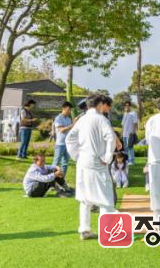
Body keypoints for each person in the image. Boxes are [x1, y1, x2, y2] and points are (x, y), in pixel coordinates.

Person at [65, 95, 117, 240]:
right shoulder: (101, 119)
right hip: (98, 162)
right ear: (100, 104)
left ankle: (84, 229)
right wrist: (107, 157)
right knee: (105, 198)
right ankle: (107, 232)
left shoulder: (82, 120)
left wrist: (77, 156)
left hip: (83, 162)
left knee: (85, 198)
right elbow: (111, 137)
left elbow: (70, 139)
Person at [53, 102, 74, 175]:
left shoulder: (69, 119)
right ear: (63, 109)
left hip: (68, 144)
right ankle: (52, 179)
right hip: (60, 144)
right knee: (56, 163)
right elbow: (61, 130)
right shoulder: (58, 118)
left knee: (65, 163)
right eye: (68, 110)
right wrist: (72, 125)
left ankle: (62, 180)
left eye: (70, 110)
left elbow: (71, 130)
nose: (69, 111)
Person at [121, 101, 139, 166]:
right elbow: (123, 124)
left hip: (130, 133)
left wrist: (133, 132)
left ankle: (131, 161)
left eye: (128, 105)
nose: (127, 106)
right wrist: (121, 133)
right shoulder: (125, 114)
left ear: (130, 106)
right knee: (125, 148)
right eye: (125, 105)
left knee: (130, 147)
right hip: (124, 134)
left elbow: (135, 123)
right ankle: (126, 160)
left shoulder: (133, 113)